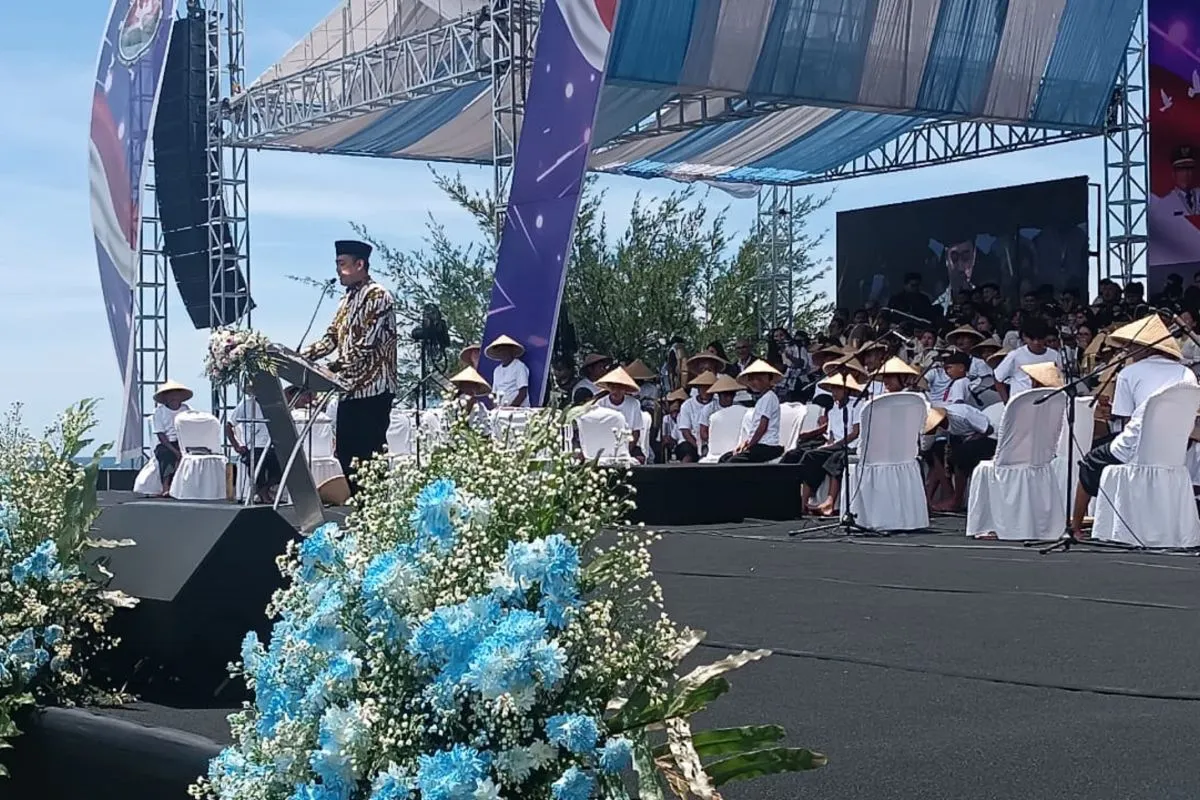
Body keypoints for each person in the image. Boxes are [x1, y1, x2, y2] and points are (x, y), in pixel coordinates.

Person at [1071, 314, 1198, 539]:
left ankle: (1076, 527)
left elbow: (1125, 420)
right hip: (1175, 447)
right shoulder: (1186, 373)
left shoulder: (1129, 373)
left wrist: (1108, 411)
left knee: (1090, 462)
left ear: (1144, 348)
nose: (1127, 350)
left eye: (1131, 346)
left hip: (1137, 445)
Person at [301, 239, 398, 494]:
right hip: (348, 390)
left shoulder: (378, 295)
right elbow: (331, 339)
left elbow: (366, 344)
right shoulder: (345, 301)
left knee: (369, 454)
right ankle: (360, 505)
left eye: (342, 263)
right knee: (346, 453)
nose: (338, 270)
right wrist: (301, 357)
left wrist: (330, 368)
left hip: (374, 389)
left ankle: (375, 506)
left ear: (359, 264)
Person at [784, 372, 864, 516]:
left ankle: (829, 502)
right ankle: (803, 503)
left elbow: (855, 433)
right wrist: (828, 445)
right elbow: (831, 436)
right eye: (832, 389)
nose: (834, 392)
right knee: (810, 456)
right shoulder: (832, 411)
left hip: (851, 445)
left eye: (837, 388)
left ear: (846, 390)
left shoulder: (856, 406)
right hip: (835, 445)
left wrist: (836, 445)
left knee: (835, 458)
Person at [225, 385, 281, 504]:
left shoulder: (275, 404)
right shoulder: (246, 404)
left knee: (280, 470)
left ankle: (263, 490)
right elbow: (229, 425)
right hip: (254, 445)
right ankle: (263, 492)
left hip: (273, 445)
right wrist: (236, 445)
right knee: (256, 467)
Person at [720, 360, 784, 463]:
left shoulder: (769, 397)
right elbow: (755, 429)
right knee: (724, 458)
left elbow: (762, 427)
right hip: (757, 444)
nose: (755, 382)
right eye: (752, 379)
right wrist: (745, 443)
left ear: (769, 380)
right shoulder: (762, 399)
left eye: (759, 379)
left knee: (733, 462)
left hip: (767, 445)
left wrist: (749, 446)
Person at [992, 317, 1060, 401]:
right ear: (1024, 337)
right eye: (1032, 339)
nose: (1036, 342)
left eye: (1040, 338)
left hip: (1047, 402)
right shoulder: (1015, 355)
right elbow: (998, 378)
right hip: (1022, 403)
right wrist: (1006, 402)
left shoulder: (1055, 355)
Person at [594, 367, 647, 463]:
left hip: (628, 444)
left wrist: (626, 451)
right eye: (613, 387)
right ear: (609, 388)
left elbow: (636, 432)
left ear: (625, 389)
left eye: (619, 388)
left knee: (640, 459)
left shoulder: (634, 404)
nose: (616, 391)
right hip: (606, 445)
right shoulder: (600, 404)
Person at [151, 380, 193, 497]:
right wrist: (175, 451)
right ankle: (166, 486)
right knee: (166, 454)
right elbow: (161, 435)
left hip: (184, 441)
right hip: (167, 443)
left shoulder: (186, 409)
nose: (174, 397)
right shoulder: (159, 412)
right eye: (170, 394)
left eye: (176, 394)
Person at [675, 371, 716, 462]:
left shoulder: (716, 404)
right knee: (688, 453)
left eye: (709, 388)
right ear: (698, 388)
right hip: (690, 442)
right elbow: (685, 432)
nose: (706, 391)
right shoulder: (687, 405)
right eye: (703, 387)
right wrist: (698, 448)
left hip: (713, 442)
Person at [485, 335, 530, 407]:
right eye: (500, 351)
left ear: (511, 351)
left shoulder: (519, 366)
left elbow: (523, 393)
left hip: (519, 410)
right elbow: (494, 394)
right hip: (500, 409)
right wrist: (496, 407)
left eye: (505, 350)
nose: (502, 353)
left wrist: (510, 408)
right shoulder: (497, 370)